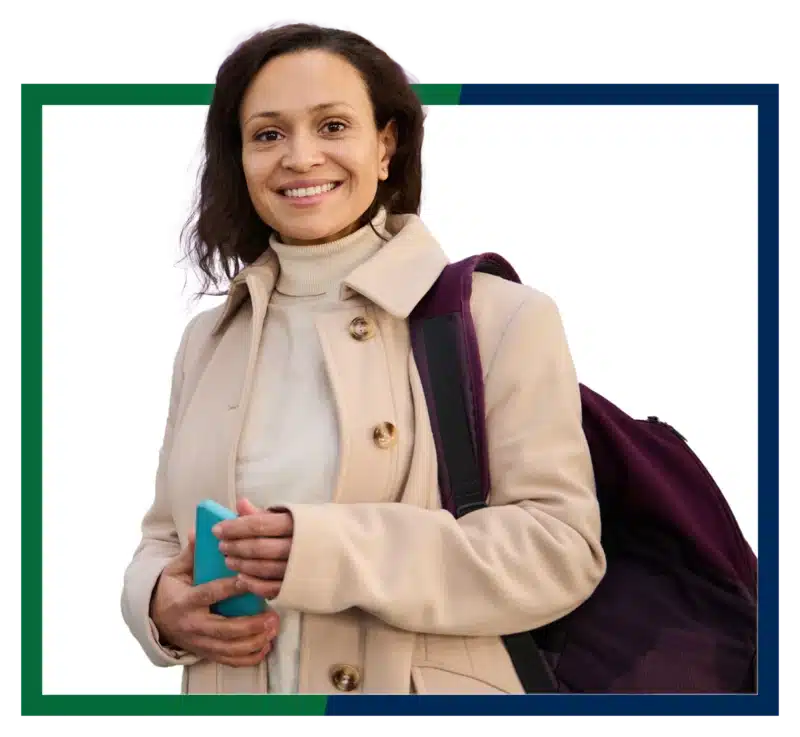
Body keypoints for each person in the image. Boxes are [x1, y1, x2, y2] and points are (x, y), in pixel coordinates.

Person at [120, 19, 607, 695]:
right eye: (268, 134)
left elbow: (560, 551)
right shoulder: (208, 339)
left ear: (386, 144)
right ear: (240, 157)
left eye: (332, 126)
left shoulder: (501, 317)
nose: (299, 157)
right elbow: (163, 537)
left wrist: (326, 550)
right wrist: (154, 605)